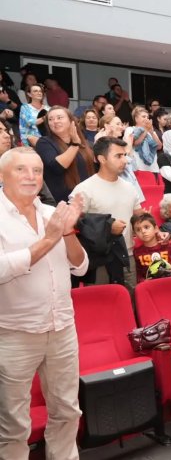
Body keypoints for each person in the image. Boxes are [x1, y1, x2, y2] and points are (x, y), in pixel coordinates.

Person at [0, 147, 88, 460]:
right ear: (2, 175)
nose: (31, 177)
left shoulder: (52, 213)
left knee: (67, 411)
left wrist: (67, 232)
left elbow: (81, 266)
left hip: (62, 328)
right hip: (15, 334)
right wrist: (49, 239)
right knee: (13, 424)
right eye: (21, 170)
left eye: (37, 171)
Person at [70, 137, 143, 290]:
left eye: (125, 155)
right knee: (101, 301)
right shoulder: (84, 189)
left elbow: (139, 217)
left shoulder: (130, 187)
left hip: (127, 255)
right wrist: (107, 226)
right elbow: (73, 223)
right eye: (118, 156)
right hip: (99, 259)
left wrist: (154, 230)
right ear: (102, 159)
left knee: (129, 301)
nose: (125, 160)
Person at [34, 106, 95, 203]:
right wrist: (75, 145)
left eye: (59, 117)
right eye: (50, 119)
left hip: (88, 199)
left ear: (71, 121)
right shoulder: (44, 143)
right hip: (63, 203)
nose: (55, 121)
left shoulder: (86, 144)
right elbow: (57, 166)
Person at [131, 213, 171, 283]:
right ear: (135, 234)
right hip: (151, 285)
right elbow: (138, 274)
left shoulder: (169, 246)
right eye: (138, 230)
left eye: (146, 227)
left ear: (155, 229)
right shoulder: (137, 252)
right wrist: (144, 281)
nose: (143, 231)